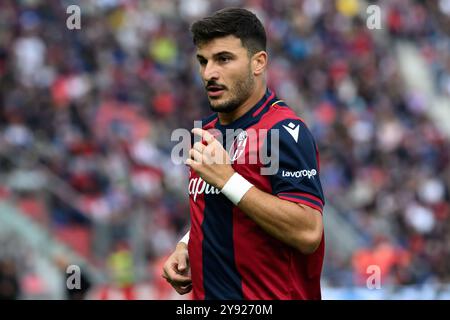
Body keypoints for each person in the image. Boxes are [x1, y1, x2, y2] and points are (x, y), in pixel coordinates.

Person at [162, 7, 325, 300]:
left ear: (258, 62)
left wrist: (229, 180)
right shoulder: (208, 133)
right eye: (203, 61)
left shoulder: (283, 131)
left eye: (224, 59)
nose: (209, 73)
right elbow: (224, 209)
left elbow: (308, 232)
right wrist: (185, 245)